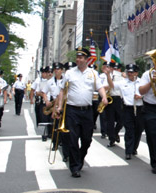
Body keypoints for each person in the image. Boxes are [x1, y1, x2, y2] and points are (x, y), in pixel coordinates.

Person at [52, 48, 108, 178]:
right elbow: (62, 91)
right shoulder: (70, 73)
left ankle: (80, 157)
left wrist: (104, 97)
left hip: (87, 110)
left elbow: (100, 87)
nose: (78, 60)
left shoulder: (93, 73)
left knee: (87, 139)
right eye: (77, 57)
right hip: (72, 110)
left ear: (87, 59)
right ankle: (74, 167)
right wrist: (59, 106)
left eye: (81, 58)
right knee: (72, 139)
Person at [114, 63, 144, 159]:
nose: (129, 74)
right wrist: (108, 75)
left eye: (131, 72)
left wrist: (141, 96)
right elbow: (111, 85)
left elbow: (148, 93)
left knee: (138, 130)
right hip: (128, 109)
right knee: (129, 130)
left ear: (136, 73)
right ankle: (128, 150)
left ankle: (134, 148)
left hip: (140, 109)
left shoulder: (142, 82)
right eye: (128, 72)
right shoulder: (123, 82)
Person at [102, 62, 125, 146]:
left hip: (119, 99)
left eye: (116, 69)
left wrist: (112, 85)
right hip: (110, 98)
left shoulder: (122, 77)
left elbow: (123, 86)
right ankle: (112, 139)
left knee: (121, 120)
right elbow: (103, 87)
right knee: (110, 121)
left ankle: (115, 132)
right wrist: (110, 84)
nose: (115, 70)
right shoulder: (107, 76)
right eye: (113, 68)